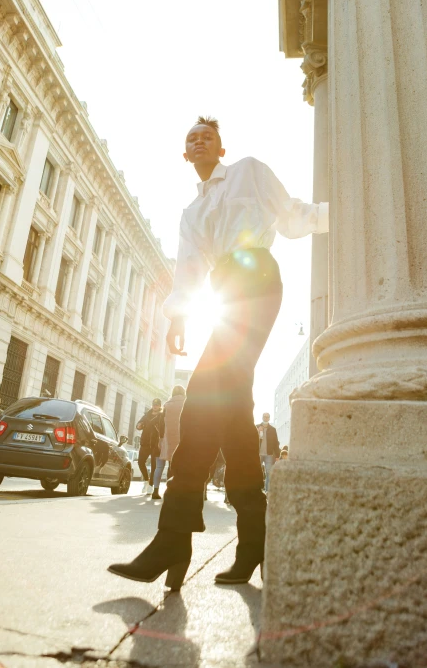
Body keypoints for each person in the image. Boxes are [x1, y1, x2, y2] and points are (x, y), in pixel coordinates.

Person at [108, 115, 328, 590]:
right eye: (191, 139)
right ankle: (254, 540)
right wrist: (179, 316)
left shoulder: (249, 170)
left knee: (202, 402)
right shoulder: (191, 214)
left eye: (207, 135)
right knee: (232, 417)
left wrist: (339, 214)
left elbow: (290, 214)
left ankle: (172, 539)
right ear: (185, 155)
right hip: (226, 291)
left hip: (259, 279)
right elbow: (187, 272)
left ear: (221, 147)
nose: (199, 141)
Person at [152, 386, 186, 500]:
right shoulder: (187, 404)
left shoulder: (166, 405)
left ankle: (155, 491)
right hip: (182, 439)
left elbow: (161, 423)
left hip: (168, 438)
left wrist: (161, 438)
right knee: (176, 466)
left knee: (160, 466)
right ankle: (174, 491)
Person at [136, 399, 165, 495]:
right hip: (145, 443)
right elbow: (139, 424)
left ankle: (151, 485)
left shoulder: (161, 416)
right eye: (154, 404)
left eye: (157, 405)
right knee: (140, 462)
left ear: (160, 406)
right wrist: (139, 425)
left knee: (154, 466)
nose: (155, 406)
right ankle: (146, 480)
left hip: (155, 444)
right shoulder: (147, 415)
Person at [256, 412, 281, 493]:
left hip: (269, 455)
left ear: (269, 418)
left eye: (267, 417)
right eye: (264, 416)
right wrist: (257, 431)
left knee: (269, 473)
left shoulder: (273, 430)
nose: (266, 418)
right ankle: (256, 490)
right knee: (256, 472)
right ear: (262, 417)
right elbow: (251, 440)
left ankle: (267, 491)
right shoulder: (256, 427)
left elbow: (276, 443)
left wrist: (277, 455)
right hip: (258, 454)